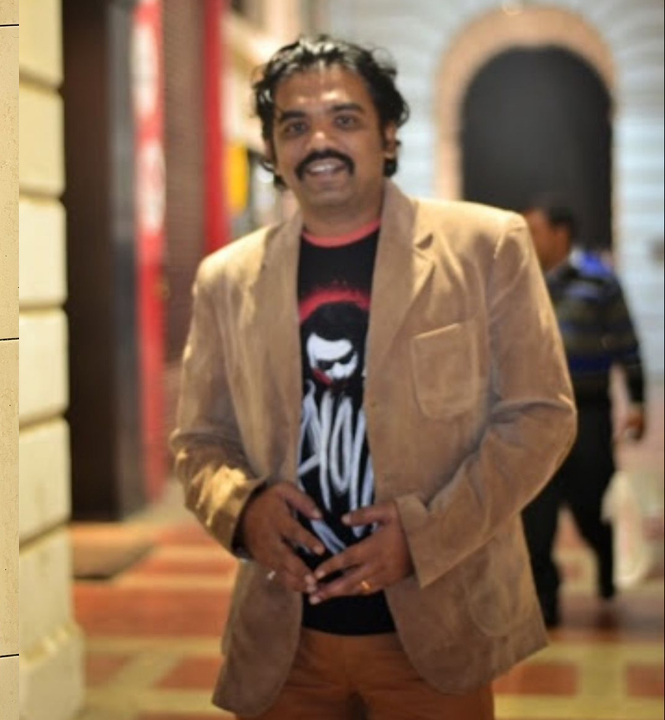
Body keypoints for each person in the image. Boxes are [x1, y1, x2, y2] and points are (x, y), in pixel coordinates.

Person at [171, 36, 577, 719]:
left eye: (345, 119)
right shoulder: (226, 280)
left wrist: (426, 536)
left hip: (436, 635)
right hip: (285, 642)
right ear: (272, 149)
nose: (319, 141)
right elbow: (198, 442)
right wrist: (242, 510)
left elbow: (541, 417)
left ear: (388, 135)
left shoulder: (485, 247)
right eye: (294, 126)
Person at [520, 197, 646, 626]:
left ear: (560, 234)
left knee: (590, 504)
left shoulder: (600, 280)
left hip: (587, 414)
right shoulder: (517, 278)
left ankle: (605, 553)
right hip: (532, 418)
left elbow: (627, 343)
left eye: (533, 231)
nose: (526, 239)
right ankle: (546, 601)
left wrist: (638, 402)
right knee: (535, 516)